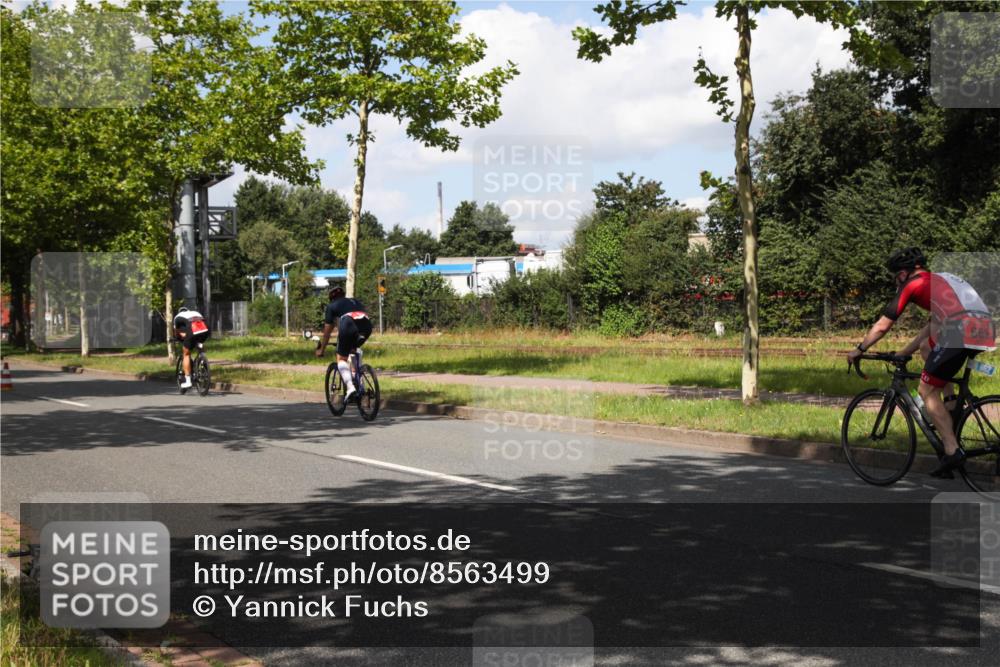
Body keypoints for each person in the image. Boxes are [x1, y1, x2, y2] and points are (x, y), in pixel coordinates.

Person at [846, 247, 996, 477]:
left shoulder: (913, 284)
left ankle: (952, 450)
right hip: (984, 327)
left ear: (903, 273)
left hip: (960, 330)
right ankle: (951, 404)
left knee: (926, 390)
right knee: (927, 348)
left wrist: (859, 349)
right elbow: (931, 328)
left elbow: (883, 325)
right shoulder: (939, 281)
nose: (896, 282)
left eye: (895, 276)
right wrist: (903, 353)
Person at [315, 286, 372, 401]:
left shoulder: (331, 306)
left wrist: (322, 350)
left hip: (349, 324)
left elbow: (327, 333)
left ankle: (350, 388)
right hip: (366, 325)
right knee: (353, 349)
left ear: (331, 298)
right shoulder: (354, 301)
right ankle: (359, 382)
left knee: (341, 358)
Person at [173, 306, 210, 389]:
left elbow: (176, 332)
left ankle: (188, 381)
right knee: (199, 343)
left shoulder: (177, 317)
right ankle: (202, 360)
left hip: (192, 329)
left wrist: (178, 339)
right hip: (205, 329)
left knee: (186, 354)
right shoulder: (195, 313)